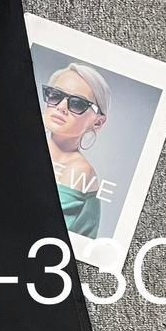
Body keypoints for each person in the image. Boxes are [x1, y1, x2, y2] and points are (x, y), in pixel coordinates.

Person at [41, 61, 110, 239]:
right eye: (55, 95)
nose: (61, 107)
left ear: (97, 122)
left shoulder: (80, 170)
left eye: (78, 103)